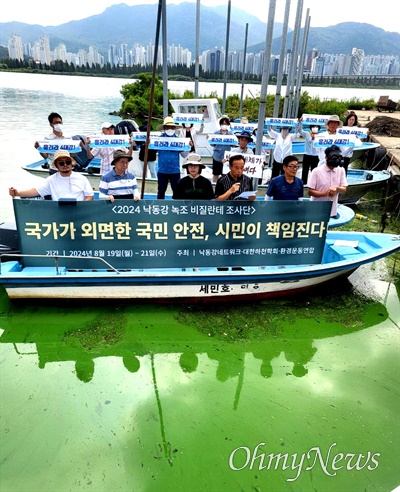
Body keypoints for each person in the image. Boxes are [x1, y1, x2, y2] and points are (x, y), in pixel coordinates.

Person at [9, 150, 94, 201]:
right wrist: (17, 193)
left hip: (79, 212)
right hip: (59, 213)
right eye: (61, 163)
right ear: (56, 166)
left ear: (71, 164)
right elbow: (36, 191)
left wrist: (81, 207)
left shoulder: (82, 178)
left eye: (67, 162)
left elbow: (90, 195)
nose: (65, 165)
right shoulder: (51, 180)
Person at [307, 145, 347, 218]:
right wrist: (325, 193)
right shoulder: (316, 171)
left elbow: (344, 189)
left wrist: (336, 188)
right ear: (326, 157)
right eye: (334, 157)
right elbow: (310, 192)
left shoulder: (341, 170)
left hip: (332, 209)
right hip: (317, 209)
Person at [155, 116, 189, 199]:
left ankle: (177, 208)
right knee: (161, 191)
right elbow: (151, 150)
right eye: (167, 127)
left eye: (171, 127)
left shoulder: (179, 140)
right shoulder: (158, 140)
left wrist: (188, 147)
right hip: (162, 170)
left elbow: (184, 155)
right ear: (164, 128)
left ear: (174, 128)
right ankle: (159, 207)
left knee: (177, 192)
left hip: (175, 170)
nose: (169, 129)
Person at [209, 115, 234, 183]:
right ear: (220, 124)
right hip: (216, 156)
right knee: (215, 174)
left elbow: (233, 145)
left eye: (225, 124)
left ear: (228, 125)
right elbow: (212, 144)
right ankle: (214, 187)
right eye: (223, 124)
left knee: (225, 174)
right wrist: (209, 139)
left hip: (226, 157)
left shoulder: (231, 135)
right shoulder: (216, 133)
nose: (224, 125)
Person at [298, 117, 320, 184]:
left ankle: (313, 183)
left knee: (315, 170)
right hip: (307, 154)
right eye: (314, 126)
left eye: (316, 126)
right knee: (305, 170)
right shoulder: (307, 134)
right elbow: (300, 131)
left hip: (315, 155)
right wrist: (300, 122)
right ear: (311, 127)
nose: (315, 128)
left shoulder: (320, 135)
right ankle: (303, 183)